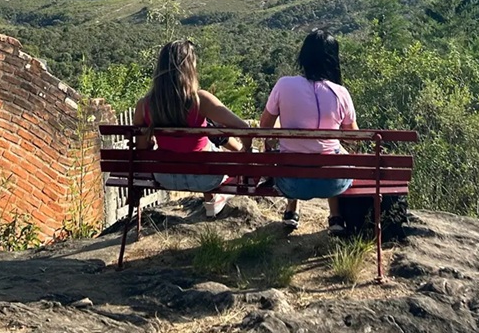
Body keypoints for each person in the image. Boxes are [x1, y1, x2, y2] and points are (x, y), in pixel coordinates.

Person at [133, 39, 252, 218]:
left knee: (206, 146)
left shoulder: (144, 105)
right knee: (212, 146)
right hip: (205, 178)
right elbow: (244, 128)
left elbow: (142, 149)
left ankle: (212, 201)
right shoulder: (200, 100)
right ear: (189, 68)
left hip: (166, 177)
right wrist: (247, 151)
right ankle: (214, 199)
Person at [259, 28, 357, 234]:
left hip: (291, 184)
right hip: (333, 185)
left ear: (303, 56)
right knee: (334, 152)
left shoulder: (284, 84)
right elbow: (353, 138)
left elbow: (265, 126)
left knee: (291, 153)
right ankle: (335, 216)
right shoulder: (341, 93)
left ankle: (291, 209)